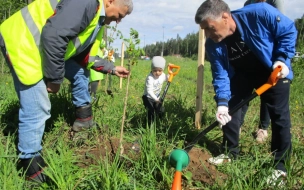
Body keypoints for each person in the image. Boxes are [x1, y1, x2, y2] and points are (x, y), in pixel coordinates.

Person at [0, 0, 133, 183]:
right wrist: (55, 79)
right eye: (120, 15)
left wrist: (112, 69)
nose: (118, 21)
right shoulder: (86, 3)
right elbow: (54, 35)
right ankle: (30, 165)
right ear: (110, 1)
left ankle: (84, 121)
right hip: (24, 43)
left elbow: (88, 56)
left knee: (79, 73)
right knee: (38, 106)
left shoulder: (97, 20)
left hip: (43, 47)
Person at [195, 0, 296, 186]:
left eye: (209, 28)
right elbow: (220, 74)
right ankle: (230, 152)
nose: (208, 34)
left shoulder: (260, 13)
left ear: (225, 17)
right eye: (205, 30)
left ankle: (280, 168)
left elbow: (288, 30)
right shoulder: (213, 44)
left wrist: (282, 59)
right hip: (241, 74)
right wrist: (222, 102)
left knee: (279, 116)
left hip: (272, 69)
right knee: (231, 109)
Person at [243, 0, 284, 143]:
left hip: (270, 56)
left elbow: (281, 28)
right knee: (243, 91)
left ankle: (263, 128)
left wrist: (280, 58)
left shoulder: (275, 3)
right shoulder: (248, 3)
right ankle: (237, 124)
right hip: (251, 55)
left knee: (266, 95)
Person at [142, 56, 168, 125]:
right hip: (148, 98)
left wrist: (170, 74)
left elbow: (167, 79)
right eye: (155, 70)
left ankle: (160, 122)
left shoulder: (162, 75)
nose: (157, 73)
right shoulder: (150, 78)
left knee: (160, 110)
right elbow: (149, 91)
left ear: (162, 70)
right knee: (151, 112)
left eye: (160, 70)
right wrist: (156, 99)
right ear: (152, 69)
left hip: (157, 97)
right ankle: (150, 125)